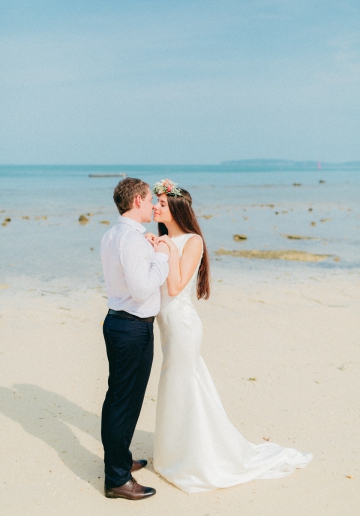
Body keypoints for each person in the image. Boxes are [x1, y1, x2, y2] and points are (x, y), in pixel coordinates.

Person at [151, 178, 313, 494]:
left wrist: (166, 249)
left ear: (177, 209)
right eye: (156, 203)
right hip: (168, 325)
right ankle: (172, 453)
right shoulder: (166, 241)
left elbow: (174, 286)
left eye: (161, 204)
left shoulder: (191, 241)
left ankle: (192, 458)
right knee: (175, 386)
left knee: (183, 386)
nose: (155, 207)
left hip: (183, 326)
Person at [100, 177, 170, 500]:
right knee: (124, 402)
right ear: (138, 201)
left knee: (119, 398)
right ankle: (117, 478)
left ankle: (121, 459)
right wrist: (162, 259)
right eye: (148, 198)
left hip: (119, 322)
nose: (151, 203)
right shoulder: (130, 239)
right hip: (131, 328)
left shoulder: (112, 234)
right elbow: (142, 289)